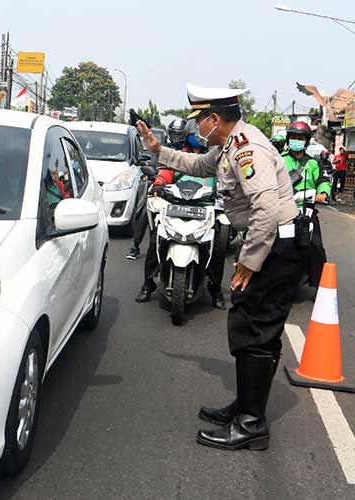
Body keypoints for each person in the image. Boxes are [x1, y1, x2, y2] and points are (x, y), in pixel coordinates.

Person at [137, 83, 307, 452]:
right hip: (273, 242)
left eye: (199, 119)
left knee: (254, 328)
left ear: (215, 119)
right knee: (249, 325)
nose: (197, 126)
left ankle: (251, 425)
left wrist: (247, 262)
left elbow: (267, 210)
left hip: (276, 246)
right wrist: (158, 150)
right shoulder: (229, 145)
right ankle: (245, 407)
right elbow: (198, 164)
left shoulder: (249, 149)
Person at [134, 119, 226, 310]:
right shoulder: (179, 156)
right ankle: (148, 283)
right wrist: (158, 184)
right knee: (155, 241)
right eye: (195, 136)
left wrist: (227, 192)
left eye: (201, 136)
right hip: (176, 206)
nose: (199, 139)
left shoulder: (215, 158)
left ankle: (215, 289)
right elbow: (165, 174)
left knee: (217, 248)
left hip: (206, 207)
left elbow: (225, 179)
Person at [127, 118, 190, 260]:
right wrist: (155, 180)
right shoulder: (162, 149)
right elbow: (154, 165)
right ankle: (135, 246)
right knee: (145, 211)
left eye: (180, 135)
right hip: (162, 187)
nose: (176, 138)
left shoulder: (190, 151)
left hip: (186, 191)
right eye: (174, 134)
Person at [281, 121, 330, 288]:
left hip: (307, 210)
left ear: (306, 141)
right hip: (284, 209)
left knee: (317, 247)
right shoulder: (280, 160)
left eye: (300, 138)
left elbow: (323, 180)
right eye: (293, 137)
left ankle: (319, 286)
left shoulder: (314, 163)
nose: (296, 140)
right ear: (288, 139)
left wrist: (323, 193)